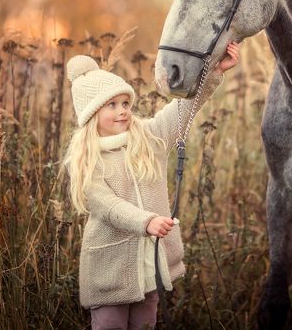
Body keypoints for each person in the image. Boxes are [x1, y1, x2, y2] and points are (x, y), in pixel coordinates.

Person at [61, 42, 240, 330]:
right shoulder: (86, 159)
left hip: (150, 266)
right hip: (110, 269)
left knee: (146, 325)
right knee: (110, 326)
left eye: (125, 103)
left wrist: (214, 72)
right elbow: (107, 206)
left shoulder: (148, 138)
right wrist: (147, 222)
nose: (122, 111)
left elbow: (182, 110)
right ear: (92, 112)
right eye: (112, 105)